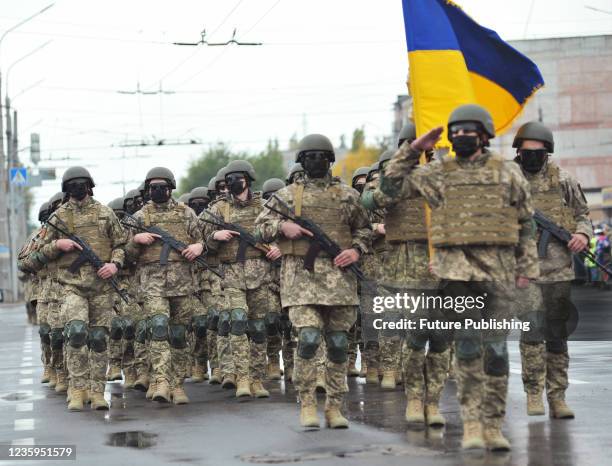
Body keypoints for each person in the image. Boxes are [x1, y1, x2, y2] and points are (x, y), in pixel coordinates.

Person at [363, 105, 539, 451]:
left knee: (498, 353)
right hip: (455, 276)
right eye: (455, 131)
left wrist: (527, 269)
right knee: (470, 348)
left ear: (485, 135)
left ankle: (493, 425)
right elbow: (386, 191)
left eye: (468, 130)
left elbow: (526, 223)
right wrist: (413, 150)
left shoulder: (507, 172)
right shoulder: (438, 173)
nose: (460, 136)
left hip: (497, 275)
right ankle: (472, 423)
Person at [256, 134, 370, 429]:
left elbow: (365, 231)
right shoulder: (286, 196)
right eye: (309, 156)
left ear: (331, 160)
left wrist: (354, 251)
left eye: (321, 156)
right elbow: (260, 228)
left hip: (340, 283)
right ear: (301, 162)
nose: (316, 161)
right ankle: (307, 402)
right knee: (307, 340)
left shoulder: (348, 196)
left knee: (337, 345)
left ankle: (334, 406)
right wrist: (283, 226)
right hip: (300, 282)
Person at [363, 122, 449, 425]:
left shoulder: (446, 174)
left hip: (443, 266)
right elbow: (372, 199)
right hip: (406, 268)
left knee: (441, 341)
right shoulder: (390, 179)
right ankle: (414, 397)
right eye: (415, 143)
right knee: (414, 336)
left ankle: (434, 402)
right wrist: (408, 160)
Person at [24, 167, 127, 411]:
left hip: (101, 287)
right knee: (77, 333)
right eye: (72, 184)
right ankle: (77, 388)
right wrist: (57, 245)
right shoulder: (57, 219)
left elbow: (122, 245)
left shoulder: (105, 213)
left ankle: (97, 390)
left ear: (90, 185)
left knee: (99, 339)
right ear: (65, 189)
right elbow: (29, 259)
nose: (78, 188)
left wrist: (114, 265)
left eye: (82, 184)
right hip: (70, 287)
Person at [513, 121, 591, 419]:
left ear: (548, 152)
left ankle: (557, 396)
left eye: (538, 152)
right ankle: (534, 393)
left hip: (558, 269)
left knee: (557, 335)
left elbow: (582, 214)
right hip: (523, 271)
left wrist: (582, 234)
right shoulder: (508, 179)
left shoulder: (563, 179)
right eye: (526, 151)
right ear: (518, 151)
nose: (532, 156)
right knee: (531, 333)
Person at [125, 167, 205, 404]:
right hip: (152, 284)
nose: (158, 191)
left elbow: (202, 240)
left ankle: (177, 383)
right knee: (158, 328)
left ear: (171, 188)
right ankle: (160, 380)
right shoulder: (139, 218)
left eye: (162, 187)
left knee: (179, 335)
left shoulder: (186, 213)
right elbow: (126, 254)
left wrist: (199, 247)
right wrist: (135, 241)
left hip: (182, 283)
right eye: (153, 188)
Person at [203, 160, 281, 398]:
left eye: (238, 177)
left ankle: (257, 378)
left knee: (258, 328)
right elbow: (202, 238)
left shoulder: (265, 206)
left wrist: (279, 247)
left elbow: (280, 229)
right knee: (238, 321)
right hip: (233, 275)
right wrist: (215, 235)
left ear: (248, 179)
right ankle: (243, 378)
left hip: (261, 276)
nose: (233, 183)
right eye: (230, 179)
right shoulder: (218, 210)